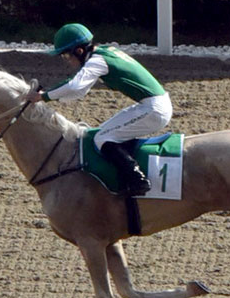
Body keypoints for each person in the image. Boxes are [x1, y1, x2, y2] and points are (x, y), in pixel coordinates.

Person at [26, 23, 172, 197]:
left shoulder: (97, 61)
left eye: (66, 55)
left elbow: (75, 85)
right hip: (152, 105)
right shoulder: (105, 51)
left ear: (79, 51)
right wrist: (49, 95)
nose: (67, 61)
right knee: (100, 134)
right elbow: (80, 89)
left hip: (154, 109)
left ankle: (137, 180)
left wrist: (44, 96)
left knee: (103, 138)